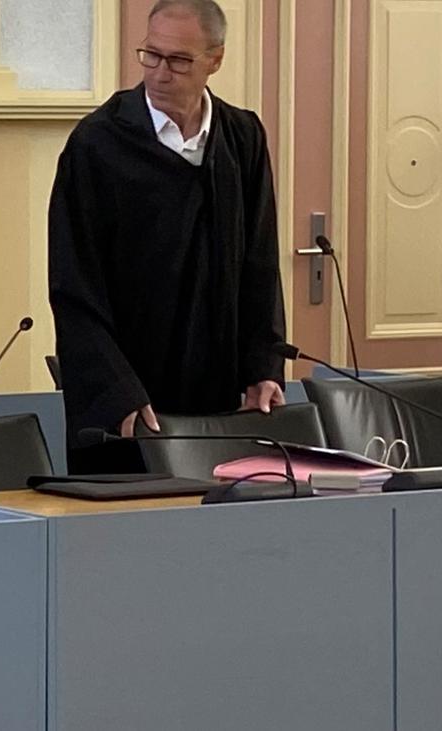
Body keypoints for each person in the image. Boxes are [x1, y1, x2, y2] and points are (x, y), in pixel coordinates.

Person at [48, 0, 286, 470]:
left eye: (178, 60)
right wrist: (114, 389)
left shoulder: (242, 137)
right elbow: (74, 285)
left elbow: (260, 264)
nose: (159, 73)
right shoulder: (97, 143)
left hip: (220, 394)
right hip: (130, 400)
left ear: (215, 60)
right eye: (151, 55)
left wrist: (264, 366)